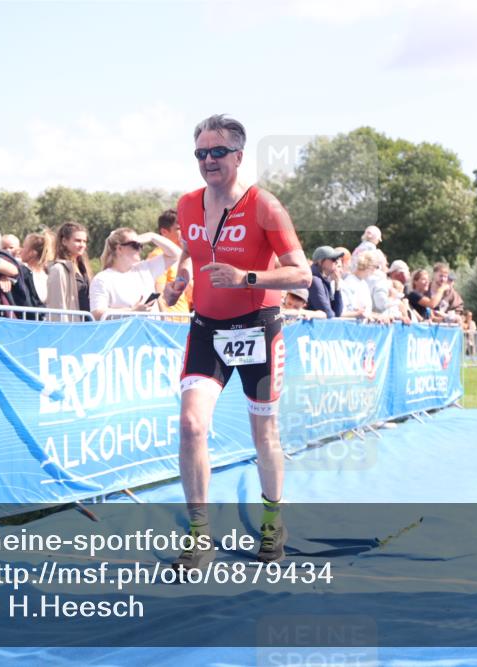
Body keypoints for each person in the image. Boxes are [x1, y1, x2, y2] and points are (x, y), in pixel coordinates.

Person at [162, 114, 311, 569]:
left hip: (258, 326)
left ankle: (272, 521)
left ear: (238, 156)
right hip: (206, 328)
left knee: (263, 432)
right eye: (201, 153)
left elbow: (302, 273)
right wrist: (180, 277)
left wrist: (246, 276)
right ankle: (199, 535)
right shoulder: (187, 205)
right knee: (190, 426)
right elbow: (191, 248)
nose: (208, 160)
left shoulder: (265, 205)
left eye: (217, 152)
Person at [89, 228, 181, 320]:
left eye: (141, 245)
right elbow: (97, 313)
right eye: (135, 245)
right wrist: (132, 311)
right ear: (119, 248)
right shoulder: (102, 279)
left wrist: (153, 236)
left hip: (150, 332)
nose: (140, 249)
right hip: (124, 333)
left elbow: (176, 254)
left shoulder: (145, 269)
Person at [148, 209, 194, 315]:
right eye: (179, 229)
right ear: (164, 232)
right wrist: (165, 321)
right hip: (170, 323)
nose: (184, 232)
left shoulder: (185, 256)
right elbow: (157, 291)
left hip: (184, 319)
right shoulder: (158, 256)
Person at [46, 221, 92, 320]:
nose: (82, 245)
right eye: (78, 240)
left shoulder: (83, 268)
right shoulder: (58, 270)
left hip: (86, 325)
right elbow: (58, 305)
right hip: (70, 327)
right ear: (64, 241)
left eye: (84, 241)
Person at [306, 246, 345, 318]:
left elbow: (338, 312)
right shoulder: (315, 280)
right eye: (333, 259)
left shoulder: (323, 280)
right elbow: (329, 314)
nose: (336, 262)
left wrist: (337, 284)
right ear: (320, 262)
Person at [340, 251, 379, 319]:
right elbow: (353, 310)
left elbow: (367, 311)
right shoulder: (350, 283)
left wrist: (380, 316)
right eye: (376, 267)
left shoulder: (363, 283)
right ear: (368, 266)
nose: (375, 270)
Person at [20, 230, 55, 305]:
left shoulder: (22, 272)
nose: (20, 250)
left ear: (32, 253)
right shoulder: (47, 275)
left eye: (23, 247)